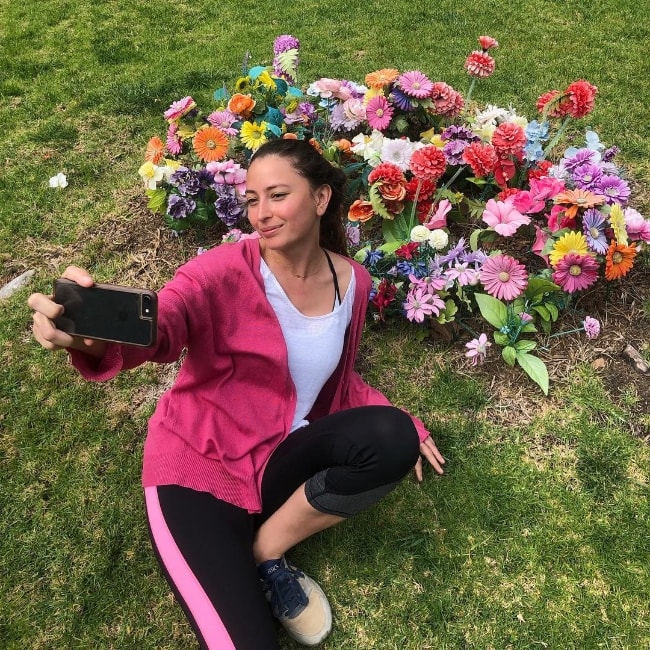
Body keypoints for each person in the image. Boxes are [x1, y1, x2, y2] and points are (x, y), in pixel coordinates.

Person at [28, 138, 445, 649]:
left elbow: (338, 382)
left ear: (319, 199)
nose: (261, 214)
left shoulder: (352, 282)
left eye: (276, 195)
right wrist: (93, 339)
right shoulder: (220, 272)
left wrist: (404, 427)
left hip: (279, 460)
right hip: (199, 469)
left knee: (392, 435)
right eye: (251, 200)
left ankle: (266, 549)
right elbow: (167, 322)